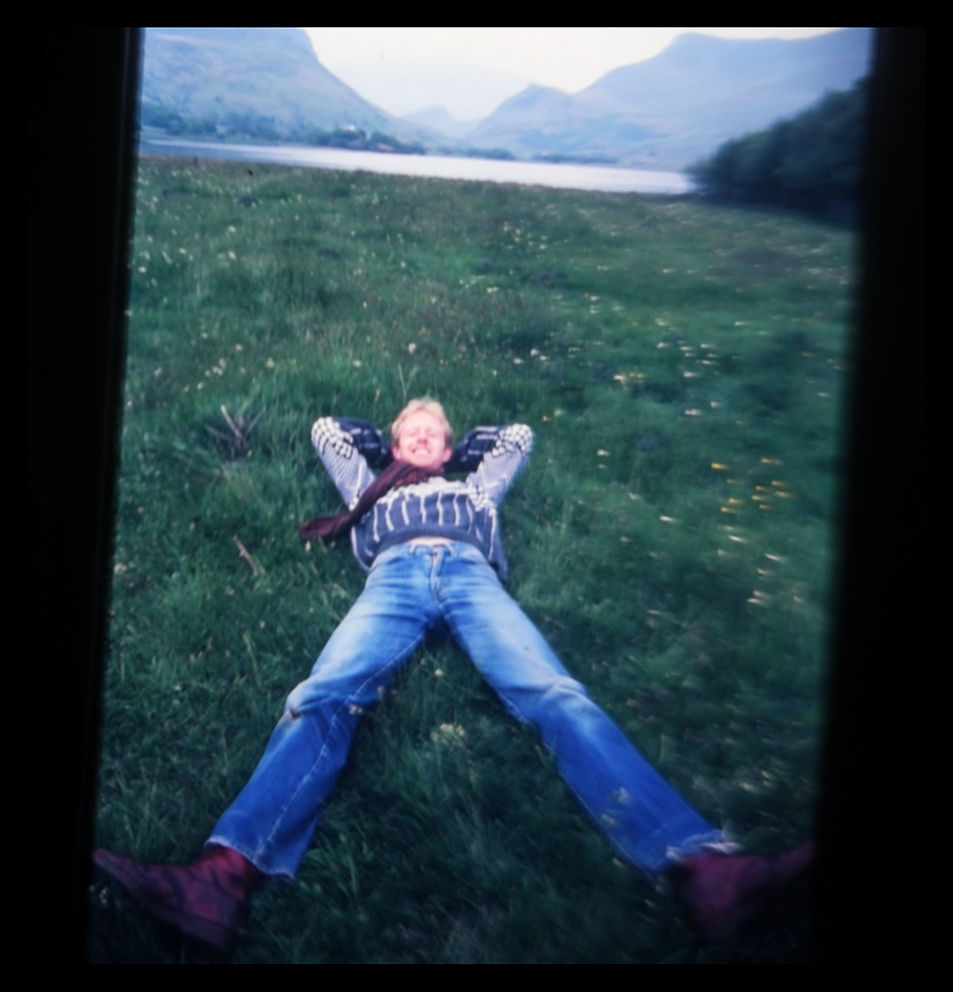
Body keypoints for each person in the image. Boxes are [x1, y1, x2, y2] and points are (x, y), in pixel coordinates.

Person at [93, 398, 813, 954]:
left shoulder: (476, 491)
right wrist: (380, 444)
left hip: (471, 579)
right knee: (321, 696)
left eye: (433, 436)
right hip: (394, 580)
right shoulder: (369, 488)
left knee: (556, 694)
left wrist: (466, 445)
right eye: (408, 433)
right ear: (390, 443)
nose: (421, 441)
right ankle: (222, 879)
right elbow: (323, 431)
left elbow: (520, 438)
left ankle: (703, 871)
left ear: (449, 450)